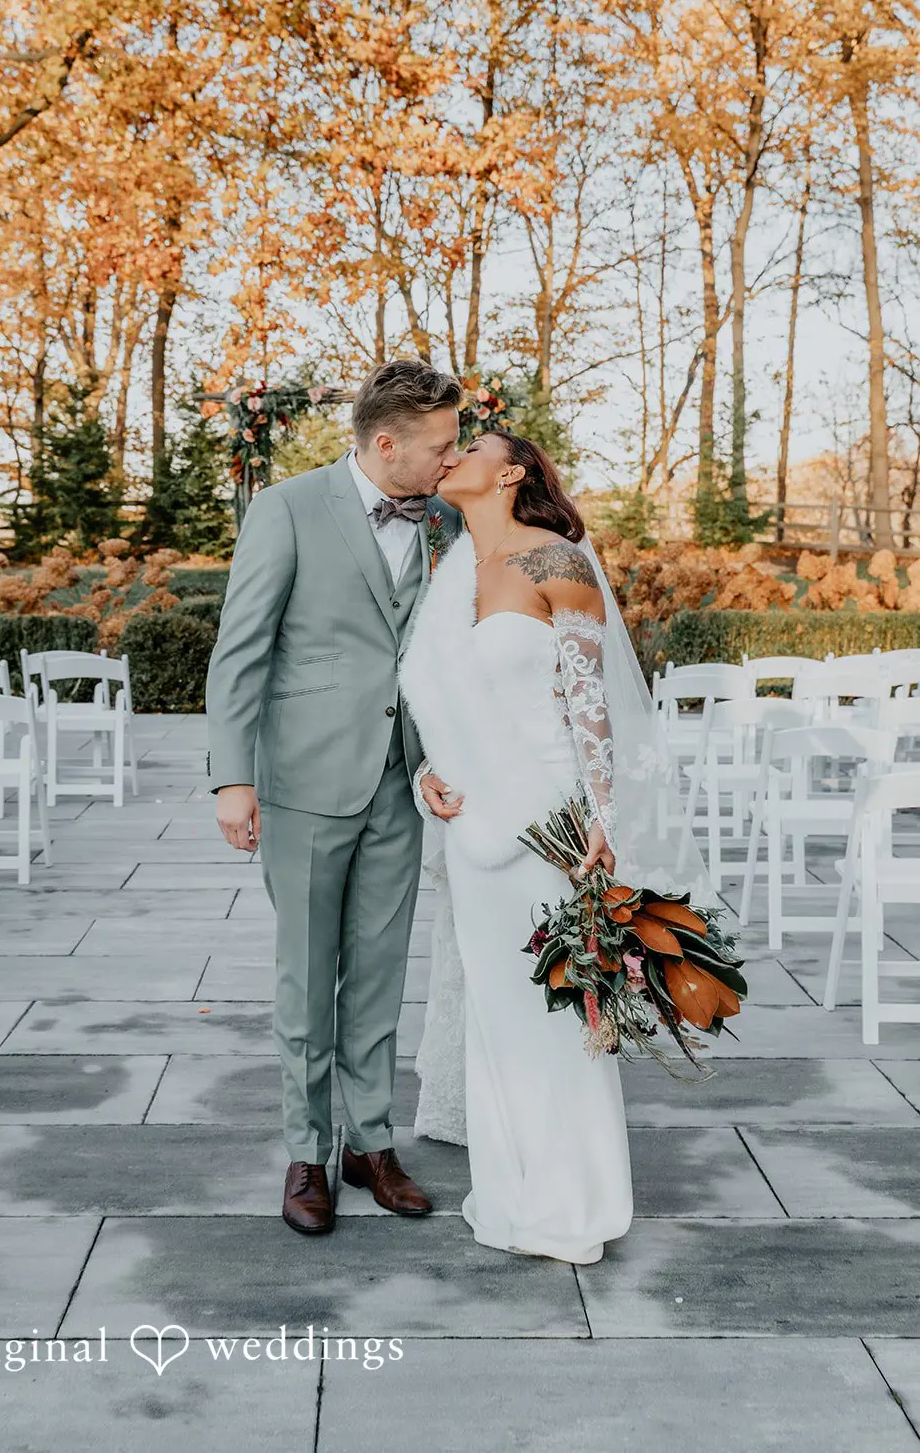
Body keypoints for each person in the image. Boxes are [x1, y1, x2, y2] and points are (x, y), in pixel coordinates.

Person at [205, 359, 464, 1235]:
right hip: (306, 782)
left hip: (399, 781)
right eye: (439, 446)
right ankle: (307, 1152)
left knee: (380, 977)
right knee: (307, 978)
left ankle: (372, 1143)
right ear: (385, 443)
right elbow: (240, 649)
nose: (450, 459)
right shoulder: (286, 508)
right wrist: (232, 779)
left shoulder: (440, 520)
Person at [398, 431, 637, 1262]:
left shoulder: (554, 561)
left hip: (545, 821)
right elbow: (449, 701)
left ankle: (573, 1202)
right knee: (495, 1013)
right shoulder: (452, 570)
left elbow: (589, 704)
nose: (448, 457)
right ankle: (510, 1189)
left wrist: (603, 818)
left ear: (509, 473)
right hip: (471, 825)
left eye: (468, 448)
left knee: (550, 1009)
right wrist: (429, 772)